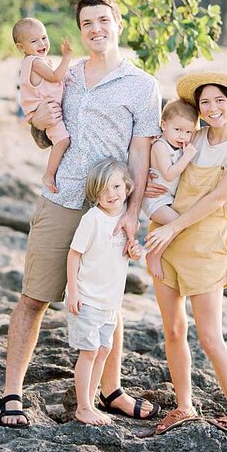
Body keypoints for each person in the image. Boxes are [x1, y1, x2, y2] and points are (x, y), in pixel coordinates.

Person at [0, 0, 161, 429]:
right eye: (87, 22)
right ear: (80, 29)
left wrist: (132, 213)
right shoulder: (65, 76)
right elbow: (44, 131)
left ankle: (111, 390)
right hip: (63, 197)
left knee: (108, 304)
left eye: (104, 19)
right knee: (34, 297)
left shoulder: (142, 85)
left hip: (110, 207)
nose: (96, 29)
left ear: (118, 22)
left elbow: (140, 153)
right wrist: (37, 121)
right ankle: (11, 393)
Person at [144, 68, 227, 437]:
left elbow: (217, 198)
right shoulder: (189, 136)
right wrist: (153, 184)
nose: (212, 108)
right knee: (173, 328)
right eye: (205, 101)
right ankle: (183, 406)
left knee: (210, 336)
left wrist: (171, 227)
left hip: (205, 244)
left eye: (219, 100)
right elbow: (163, 172)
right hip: (167, 237)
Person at [65, 159, 143, 425]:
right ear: (95, 195)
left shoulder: (126, 220)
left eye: (117, 186)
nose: (111, 194)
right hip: (87, 300)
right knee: (88, 353)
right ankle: (83, 406)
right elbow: (74, 254)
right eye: (103, 190)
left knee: (102, 352)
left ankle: (92, 399)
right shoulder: (93, 219)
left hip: (109, 304)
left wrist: (134, 250)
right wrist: (73, 291)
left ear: (128, 187)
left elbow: (126, 252)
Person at [141, 99, 199, 283]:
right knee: (178, 224)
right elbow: (168, 174)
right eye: (178, 130)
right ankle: (153, 255)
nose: (183, 136)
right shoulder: (160, 146)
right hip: (155, 200)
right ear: (164, 125)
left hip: (167, 199)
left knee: (176, 225)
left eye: (188, 132)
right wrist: (188, 156)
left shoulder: (178, 146)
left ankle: (158, 247)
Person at [14, 17, 74, 193]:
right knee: (63, 141)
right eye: (34, 41)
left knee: (60, 140)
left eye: (44, 37)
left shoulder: (29, 62)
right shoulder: (35, 62)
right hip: (45, 112)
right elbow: (55, 77)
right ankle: (49, 174)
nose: (41, 43)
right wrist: (67, 57)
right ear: (21, 47)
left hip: (39, 110)